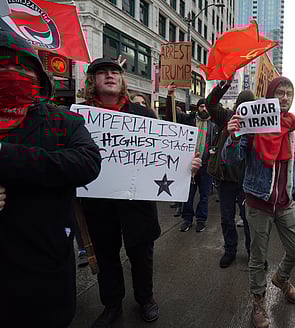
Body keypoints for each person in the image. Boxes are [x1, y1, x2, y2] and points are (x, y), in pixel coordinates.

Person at [79, 58, 201, 327]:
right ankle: (112, 305)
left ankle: (146, 299)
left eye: (115, 72)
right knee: (106, 256)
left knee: (141, 254)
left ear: (122, 81)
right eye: (102, 73)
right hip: (98, 203)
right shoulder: (80, 117)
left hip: (137, 201)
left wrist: (186, 165)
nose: (110, 76)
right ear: (92, 82)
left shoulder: (143, 115)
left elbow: (164, 152)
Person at [0, 31, 102, 327]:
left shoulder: (63, 122)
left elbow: (87, 163)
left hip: (46, 263)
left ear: (37, 77)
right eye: (2, 66)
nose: (11, 74)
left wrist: (5, 155)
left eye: (21, 68)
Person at [223, 76, 295, 328]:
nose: (285, 98)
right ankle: (258, 302)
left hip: (284, 203)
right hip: (258, 202)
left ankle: (280, 278)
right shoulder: (253, 123)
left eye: (289, 93)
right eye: (280, 93)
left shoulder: (292, 126)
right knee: (257, 258)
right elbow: (230, 159)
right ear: (270, 95)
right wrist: (233, 136)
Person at [205, 81, 254, 268]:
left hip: (246, 181)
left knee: (249, 219)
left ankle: (252, 253)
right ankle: (230, 250)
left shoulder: (256, 124)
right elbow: (210, 103)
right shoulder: (226, 117)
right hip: (225, 179)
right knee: (227, 218)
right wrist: (223, 85)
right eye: (243, 106)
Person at [166, 84, 218, 232]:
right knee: (188, 195)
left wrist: (215, 150)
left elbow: (218, 141)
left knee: (204, 196)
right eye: (201, 106)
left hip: (206, 165)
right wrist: (170, 96)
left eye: (206, 106)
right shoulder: (189, 119)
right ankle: (187, 219)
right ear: (198, 108)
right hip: (189, 165)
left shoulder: (214, 124)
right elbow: (171, 117)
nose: (204, 109)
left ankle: (201, 220)